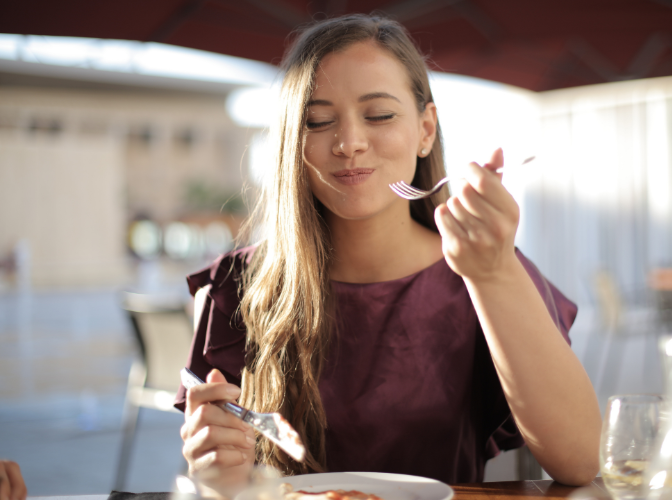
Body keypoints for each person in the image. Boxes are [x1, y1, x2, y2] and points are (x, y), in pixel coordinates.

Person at [175, 13, 601, 497]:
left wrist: (494, 274)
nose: (349, 143)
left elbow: (580, 460)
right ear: (293, 142)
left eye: (379, 115)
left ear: (425, 130)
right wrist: (216, 470)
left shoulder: (485, 269)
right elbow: (224, 479)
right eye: (317, 121)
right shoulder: (236, 286)